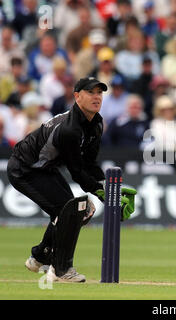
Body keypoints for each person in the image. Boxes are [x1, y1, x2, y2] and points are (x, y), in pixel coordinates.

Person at [7, 77, 137, 282]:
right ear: (77, 96)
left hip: (45, 167)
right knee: (76, 211)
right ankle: (61, 269)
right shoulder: (70, 129)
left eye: (100, 93)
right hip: (25, 168)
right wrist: (103, 194)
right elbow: (76, 171)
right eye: (91, 92)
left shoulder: (97, 123)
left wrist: (111, 190)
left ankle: (40, 257)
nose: (96, 97)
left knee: (78, 211)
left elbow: (90, 164)